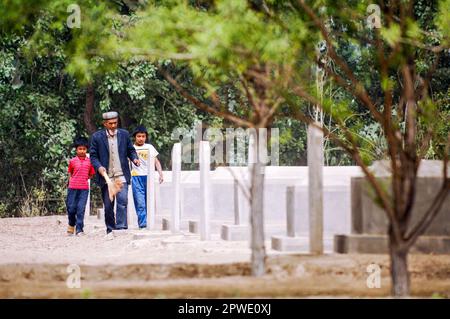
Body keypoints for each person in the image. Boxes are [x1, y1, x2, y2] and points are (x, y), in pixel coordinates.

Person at [89, 111, 140, 236]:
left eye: (115, 123)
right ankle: (110, 229)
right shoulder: (97, 137)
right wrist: (99, 167)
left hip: (121, 175)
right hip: (107, 178)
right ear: (105, 123)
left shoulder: (124, 134)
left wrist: (134, 158)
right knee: (108, 205)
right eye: (110, 123)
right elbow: (93, 156)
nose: (113, 125)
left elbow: (130, 150)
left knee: (122, 201)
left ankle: (121, 228)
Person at [131, 125, 164, 229]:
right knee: (140, 201)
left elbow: (156, 161)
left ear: (146, 137)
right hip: (136, 177)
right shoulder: (131, 148)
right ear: (135, 137)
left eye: (143, 136)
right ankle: (143, 224)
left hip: (148, 177)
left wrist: (160, 173)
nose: (141, 138)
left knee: (149, 201)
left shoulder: (149, 147)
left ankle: (150, 222)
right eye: (139, 136)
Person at [66, 137, 95, 236]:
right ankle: (71, 224)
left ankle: (79, 230)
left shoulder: (90, 161)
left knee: (80, 209)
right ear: (76, 149)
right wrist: (71, 182)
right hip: (72, 188)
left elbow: (91, 174)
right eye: (80, 149)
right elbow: (70, 173)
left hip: (84, 189)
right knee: (71, 208)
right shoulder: (72, 161)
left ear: (86, 149)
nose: (82, 151)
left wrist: (83, 179)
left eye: (84, 149)